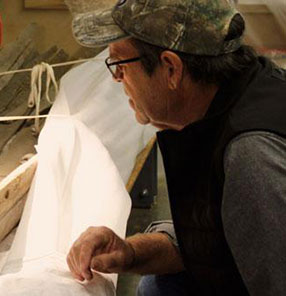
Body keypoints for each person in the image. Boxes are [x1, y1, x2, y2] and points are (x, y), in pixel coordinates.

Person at [65, 0, 286, 295]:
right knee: (157, 286)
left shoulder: (251, 156)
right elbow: (223, 240)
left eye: (119, 65)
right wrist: (130, 253)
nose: (118, 79)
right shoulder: (228, 101)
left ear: (171, 69)